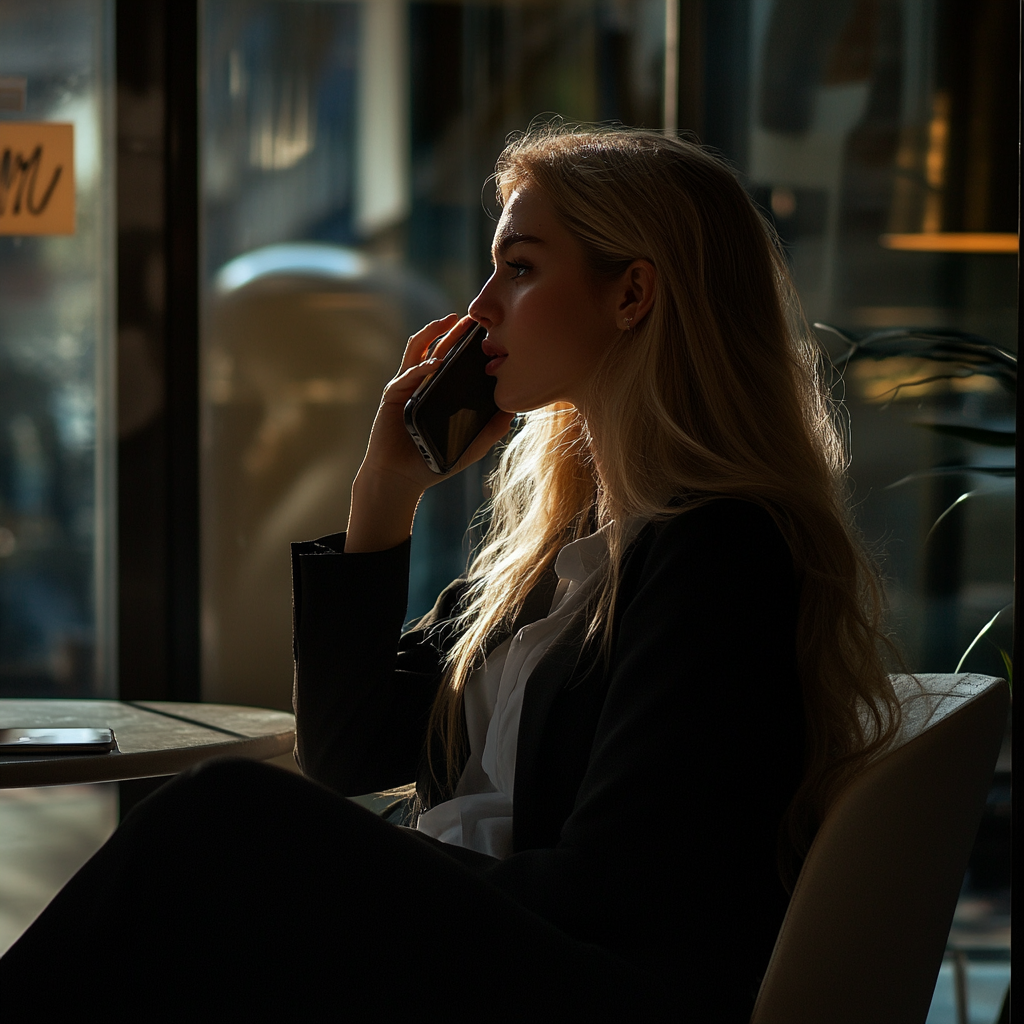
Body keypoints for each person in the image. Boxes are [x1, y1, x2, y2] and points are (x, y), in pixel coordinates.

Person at [0, 126, 900, 1023]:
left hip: (584, 986)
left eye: (519, 267)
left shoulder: (724, 549)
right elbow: (349, 748)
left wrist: (349, 869)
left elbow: (616, 888)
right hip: (485, 951)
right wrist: (386, 488)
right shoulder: (567, 552)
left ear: (632, 293)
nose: (479, 309)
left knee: (223, 819)